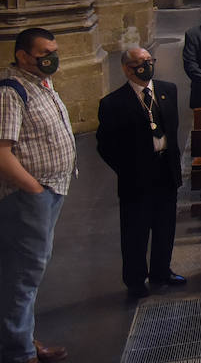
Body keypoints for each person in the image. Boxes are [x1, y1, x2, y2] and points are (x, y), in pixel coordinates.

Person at [0, 28, 75, 363]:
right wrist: (34, 189)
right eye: (45, 52)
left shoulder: (40, 82)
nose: (52, 57)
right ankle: (19, 352)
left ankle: (23, 338)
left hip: (50, 190)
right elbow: (2, 152)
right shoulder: (10, 92)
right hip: (29, 196)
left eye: (54, 50)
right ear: (23, 56)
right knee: (23, 273)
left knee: (30, 270)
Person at [96, 48, 185, 299]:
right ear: (127, 69)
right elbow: (105, 145)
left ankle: (161, 271)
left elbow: (172, 130)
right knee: (136, 230)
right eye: (139, 64)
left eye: (149, 61)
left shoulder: (168, 90)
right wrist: (127, 169)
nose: (146, 67)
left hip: (165, 169)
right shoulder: (113, 103)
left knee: (165, 225)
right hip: (135, 177)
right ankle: (135, 280)